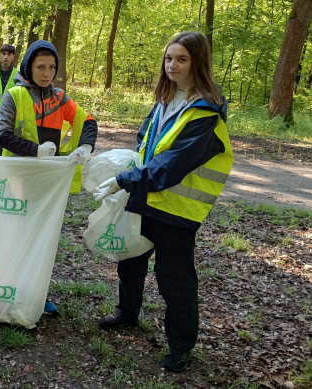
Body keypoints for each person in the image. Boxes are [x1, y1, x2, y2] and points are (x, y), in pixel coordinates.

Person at [95, 31, 233, 373]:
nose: (172, 65)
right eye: (169, 58)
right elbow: (147, 137)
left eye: (182, 59)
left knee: (175, 277)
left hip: (176, 208)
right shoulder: (167, 97)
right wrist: (130, 166)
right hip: (146, 195)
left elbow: (173, 165)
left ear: (197, 62)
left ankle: (181, 344)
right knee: (130, 258)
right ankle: (127, 312)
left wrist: (124, 179)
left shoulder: (205, 112)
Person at [0, 39, 98, 315]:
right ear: (29, 66)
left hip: (48, 182)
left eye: (52, 67)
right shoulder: (15, 95)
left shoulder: (60, 98)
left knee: (42, 237)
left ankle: (38, 293)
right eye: (41, 67)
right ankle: (5, 290)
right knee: (15, 236)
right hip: (18, 176)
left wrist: (86, 145)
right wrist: (34, 150)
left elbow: (87, 121)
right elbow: (1, 134)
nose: (47, 73)